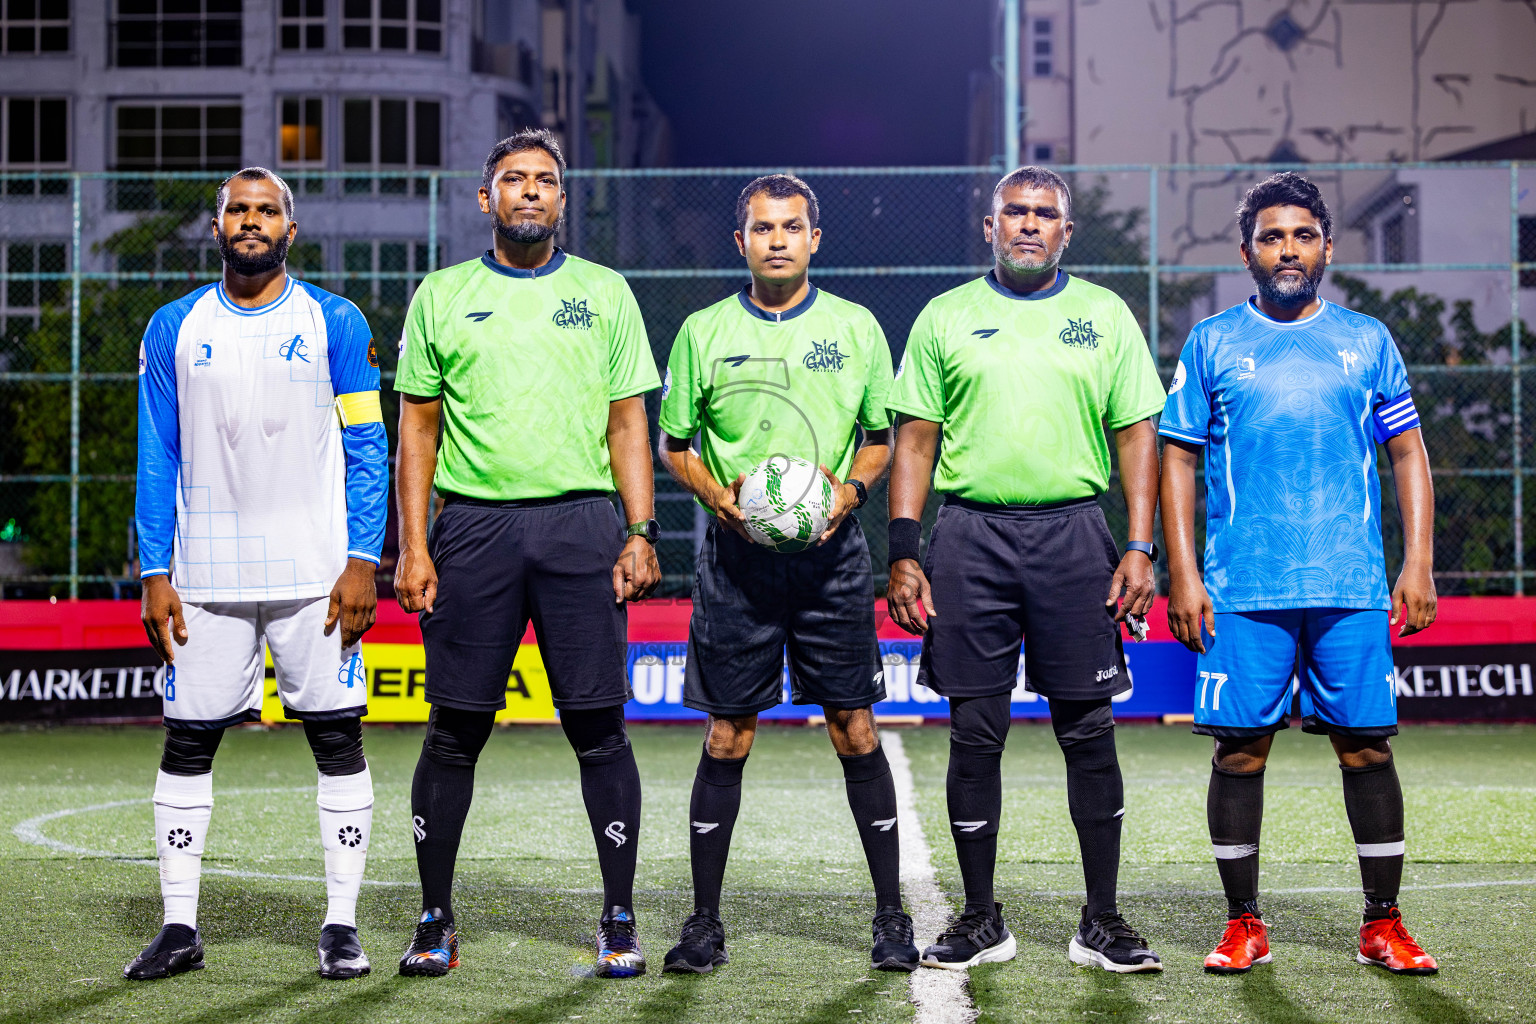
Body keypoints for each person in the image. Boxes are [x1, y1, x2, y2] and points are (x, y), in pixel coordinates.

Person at [392, 128, 662, 979]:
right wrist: (413, 545)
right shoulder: (441, 294)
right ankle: (434, 917)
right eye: (515, 180)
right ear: (487, 199)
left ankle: (618, 916)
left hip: (582, 527)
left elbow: (629, 422)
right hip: (472, 530)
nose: (532, 193)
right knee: (454, 731)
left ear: (562, 198)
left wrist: (640, 527)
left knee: (598, 728)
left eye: (546, 180)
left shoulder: (606, 292)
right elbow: (418, 432)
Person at [886, 166, 1166, 973]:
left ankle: (1103, 920)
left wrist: (1140, 545)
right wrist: (905, 551)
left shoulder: (1103, 314)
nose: (1030, 225)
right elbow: (914, 441)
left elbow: (1137, 436)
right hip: (970, 536)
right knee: (975, 734)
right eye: (1016, 212)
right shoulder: (947, 317)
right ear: (990, 226)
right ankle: (980, 919)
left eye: (1046, 214)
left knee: (1089, 729)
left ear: (1067, 233)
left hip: (1075, 535)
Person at [1160, 171, 1439, 976]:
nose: (1289, 249)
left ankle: (1382, 923)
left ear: (1327, 245)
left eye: (1303, 234)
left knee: (1367, 752)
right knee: (1240, 753)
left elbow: (1406, 453)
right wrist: (1185, 572)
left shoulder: (1366, 339)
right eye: (1273, 236)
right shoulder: (1213, 341)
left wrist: (1417, 560)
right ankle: (1243, 922)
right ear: (1246, 249)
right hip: (1245, 588)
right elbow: (1178, 458)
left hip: (1350, 585)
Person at [655, 174, 918, 975]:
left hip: (832, 561)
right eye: (762, 228)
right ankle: (703, 924)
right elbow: (676, 444)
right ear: (741, 241)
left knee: (856, 729)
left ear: (814, 239)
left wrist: (850, 490)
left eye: (792, 227)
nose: (777, 239)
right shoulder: (702, 330)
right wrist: (718, 499)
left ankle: (890, 918)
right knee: (728, 733)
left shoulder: (856, 326)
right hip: (737, 564)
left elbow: (883, 436)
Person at [130, 167, 388, 981]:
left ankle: (341, 926)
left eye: (266, 210)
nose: (251, 221)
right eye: (237, 210)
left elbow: (366, 449)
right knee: (187, 743)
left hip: (316, 574)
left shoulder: (335, 322)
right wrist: (154, 568)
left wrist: (363, 558)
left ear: (291, 229)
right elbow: (157, 453)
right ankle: (179, 929)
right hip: (203, 573)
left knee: (337, 737)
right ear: (217, 229)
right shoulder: (172, 327)